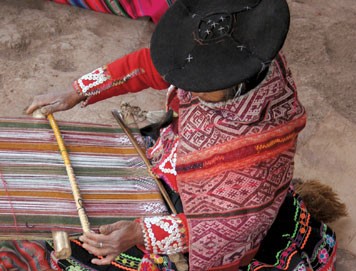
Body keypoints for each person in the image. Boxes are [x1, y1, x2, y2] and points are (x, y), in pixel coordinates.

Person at [21, 0, 339, 270]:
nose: (187, 85)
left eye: (201, 82)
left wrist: (137, 234)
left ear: (234, 82)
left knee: (79, 244)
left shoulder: (248, 163)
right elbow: (151, 66)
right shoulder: (246, 59)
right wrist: (77, 91)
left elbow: (212, 231)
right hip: (188, 170)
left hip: (213, 225)